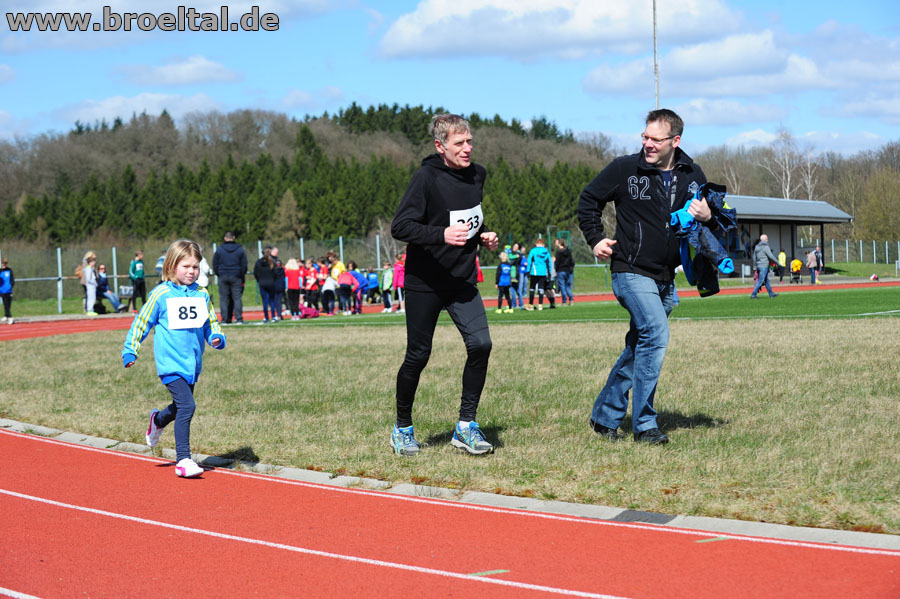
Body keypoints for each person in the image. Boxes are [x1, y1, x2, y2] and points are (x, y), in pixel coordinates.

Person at [578, 108, 711, 445]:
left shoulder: (693, 174)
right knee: (656, 333)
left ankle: (604, 417)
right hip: (630, 269)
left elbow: (715, 216)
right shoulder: (625, 168)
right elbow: (588, 200)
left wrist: (708, 213)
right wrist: (595, 238)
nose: (647, 144)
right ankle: (645, 425)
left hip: (666, 276)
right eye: (645, 137)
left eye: (655, 139)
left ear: (675, 141)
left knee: (641, 345)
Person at [389, 113, 499, 456]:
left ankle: (466, 426)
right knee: (418, 355)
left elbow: (467, 220)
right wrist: (441, 235)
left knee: (481, 344)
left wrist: (483, 236)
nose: (467, 149)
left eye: (470, 141)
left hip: (461, 280)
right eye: (459, 143)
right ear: (440, 146)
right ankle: (402, 429)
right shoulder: (426, 178)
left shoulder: (478, 175)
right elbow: (400, 226)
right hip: (425, 282)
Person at [122, 239, 226, 478]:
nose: (191, 271)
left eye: (195, 267)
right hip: (170, 363)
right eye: (186, 266)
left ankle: (158, 420)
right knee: (188, 406)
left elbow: (210, 323)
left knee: (180, 407)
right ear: (171, 266)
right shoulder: (161, 294)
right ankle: (183, 460)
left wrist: (216, 337)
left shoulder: (202, 294)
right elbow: (142, 322)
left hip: (192, 364)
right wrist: (130, 349)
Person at [212, 231, 247, 325]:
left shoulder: (219, 250)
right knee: (237, 298)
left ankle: (224, 319)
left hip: (223, 276)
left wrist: (219, 273)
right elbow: (244, 264)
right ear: (234, 238)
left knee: (223, 298)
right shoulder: (240, 249)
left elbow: (215, 264)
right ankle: (238, 319)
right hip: (236, 276)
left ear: (225, 238)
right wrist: (240, 274)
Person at [254, 246, 280, 323]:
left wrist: (259, 280)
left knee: (265, 301)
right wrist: (273, 280)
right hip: (271, 283)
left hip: (262, 283)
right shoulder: (272, 262)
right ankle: (273, 317)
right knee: (272, 300)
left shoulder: (258, 262)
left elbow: (255, 273)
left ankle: (266, 317)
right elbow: (276, 273)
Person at [526, 238, 552, 310]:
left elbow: (529, 261)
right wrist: (549, 272)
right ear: (543, 244)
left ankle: (531, 304)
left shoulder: (533, 251)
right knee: (541, 288)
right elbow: (549, 263)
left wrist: (528, 271)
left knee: (532, 288)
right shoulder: (546, 252)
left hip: (534, 272)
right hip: (543, 272)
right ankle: (540, 305)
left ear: (536, 244)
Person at [749, 234, 779, 299]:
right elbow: (771, 256)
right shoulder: (766, 247)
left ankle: (771, 294)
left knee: (767, 281)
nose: (767, 240)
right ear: (765, 240)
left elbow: (754, 257)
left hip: (759, 266)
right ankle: (753, 294)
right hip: (764, 266)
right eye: (767, 239)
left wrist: (755, 265)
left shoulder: (756, 247)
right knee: (760, 281)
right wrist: (777, 262)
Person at [554, 238, 575, 305]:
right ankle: (571, 299)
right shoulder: (568, 251)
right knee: (567, 286)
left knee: (562, 286)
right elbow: (572, 261)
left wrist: (556, 270)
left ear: (560, 243)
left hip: (561, 270)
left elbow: (557, 262)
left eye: (556, 242)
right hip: (568, 270)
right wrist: (571, 268)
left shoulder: (558, 252)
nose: (555, 243)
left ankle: (564, 301)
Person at [0, 257, 14, 324]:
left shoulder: (9, 270)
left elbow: (12, 279)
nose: (4, 264)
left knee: (8, 304)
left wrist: (11, 285)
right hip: (2, 290)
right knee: (5, 304)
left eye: (5, 263)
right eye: (3, 263)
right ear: (2, 263)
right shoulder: (0, 271)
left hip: (9, 290)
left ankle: (6, 315)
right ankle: (10, 317)